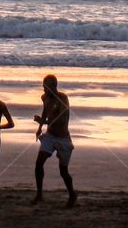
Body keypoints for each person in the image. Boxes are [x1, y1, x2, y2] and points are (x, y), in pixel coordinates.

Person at [32, 75, 77, 207]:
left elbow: (60, 118)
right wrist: (40, 127)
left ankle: (72, 194)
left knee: (63, 171)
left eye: (46, 87)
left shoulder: (63, 98)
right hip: (50, 136)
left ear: (54, 87)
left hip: (63, 138)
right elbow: (45, 111)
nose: (44, 90)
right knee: (39, 162)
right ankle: (39, 194)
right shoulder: (44, 97)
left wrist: (43, 121)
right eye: (43, 87)